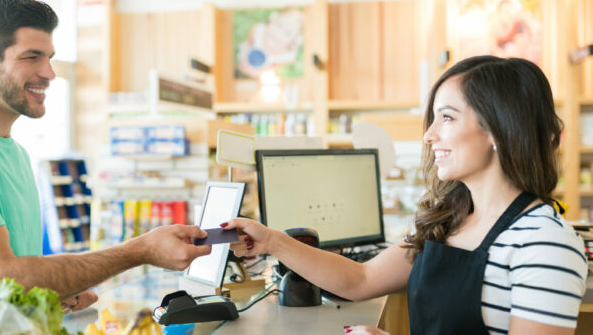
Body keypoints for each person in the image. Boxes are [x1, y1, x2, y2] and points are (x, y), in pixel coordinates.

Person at [0, 0, 211, 333]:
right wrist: (137, 251)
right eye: (32, 57)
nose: (49, 73)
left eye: (50, 57)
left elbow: (14, 283)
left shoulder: (15, 153)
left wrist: (54, 292)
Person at [223, 56, 587, 335]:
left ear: (498, 129)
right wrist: (272, 240)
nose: (429, 135)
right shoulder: (452, 218)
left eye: (446, 118)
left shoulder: (545, 243)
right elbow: (360, 280)